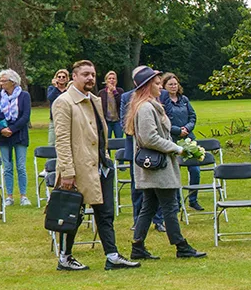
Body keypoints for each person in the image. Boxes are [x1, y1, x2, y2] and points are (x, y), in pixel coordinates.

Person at [51, 60, 139, 272]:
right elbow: (61, 140)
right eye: (85, 74)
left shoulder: (94, 99)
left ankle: (112, 255)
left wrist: (105, 159)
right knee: (73, 213)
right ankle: (65, 257)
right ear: (74, 77)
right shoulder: (64, 102)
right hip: (79, 167)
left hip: (101, 165)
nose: (90, 78)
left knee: (105, 213)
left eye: (92, 74)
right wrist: (68, 172)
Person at [123, 65, 206, 260]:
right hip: (157, 165)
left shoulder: (149, 105)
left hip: (155, 165)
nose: (160, 87)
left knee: (149, 206)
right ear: (147, 85)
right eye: (157, 83)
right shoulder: (145, 108)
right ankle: (180, 245)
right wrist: (177, 148)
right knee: (169, 206)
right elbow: (149, 137)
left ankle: (138, 246)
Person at [160, 74, 202, 214]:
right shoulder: (163, 103)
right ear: (164, 87)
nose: (173, 87)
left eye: (175, 84)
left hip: (188, 138)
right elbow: (163, 122)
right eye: (170, 84)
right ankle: (177, 202)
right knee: (175, 171)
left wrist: (187, 128)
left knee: (195, 170)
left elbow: (192, 116)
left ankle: (193, 199)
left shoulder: (184, 100)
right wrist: (178, 131)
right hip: (173, 139)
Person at [0, 69, 33, 207]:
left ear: (13, 82)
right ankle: (9, 196)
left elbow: (25, 116)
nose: (1, 83)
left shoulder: (24, 96)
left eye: (4, 81)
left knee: (21, 166)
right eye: (0, 81)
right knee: (7, 167)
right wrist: (1, 129)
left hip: (19, 135)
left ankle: (23, 195)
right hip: (3, 136)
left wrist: (12, 129)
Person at [100, 69, 124, 140]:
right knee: (107, 141)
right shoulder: (101, 93)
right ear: (106, 80)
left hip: (117, 120)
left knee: (119, 140)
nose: (111, 80)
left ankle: (120, 152)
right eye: (109, 78)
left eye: (113, 78)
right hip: (107, 121)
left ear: (116, 81)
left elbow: (121, 103)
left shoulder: (120, 91)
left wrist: (114, 92)